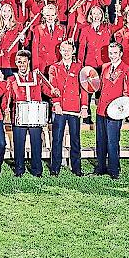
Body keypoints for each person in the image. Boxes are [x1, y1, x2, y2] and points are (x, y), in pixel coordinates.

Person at [4, 50, 57, 177]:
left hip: (35, 115)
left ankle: (37, 170)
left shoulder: (37, 77)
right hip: (19, 115)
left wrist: (54, 92)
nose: (22, 64)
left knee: (36, 142)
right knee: (19, 143)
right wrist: (5, 108)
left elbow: (46, 90)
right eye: (19, 62)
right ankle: (19, 169)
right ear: (16, 63)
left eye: (24, 61)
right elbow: (7, 97)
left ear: (29, 62)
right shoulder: (12, 79)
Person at [93, 42, 129, 179]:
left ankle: (114, 170)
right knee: (100, 140)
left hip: (115, 110)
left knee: (112, 141)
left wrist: (122, 108)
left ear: (121, 53)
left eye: (115, 53)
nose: (112, 56)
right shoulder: (105, 67)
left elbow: (128, 92)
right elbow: (99, 87)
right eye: (111, 53)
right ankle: (100, 168)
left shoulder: (127, 69)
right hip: (101, 110)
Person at [48, 41, 88, 176]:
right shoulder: (53, 68)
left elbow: (84, 89)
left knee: (75, 139)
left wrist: (84, 107)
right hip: (60, 109)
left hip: (74, 108)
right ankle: (55, 168)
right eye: (63, 50)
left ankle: (76, 168)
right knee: (57, 138)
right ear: (60, 51)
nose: (66, 52)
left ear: (73, 51)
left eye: (69, 50)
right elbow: (53, 87)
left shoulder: (80, 67)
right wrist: (56, 103)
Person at [0, 3, 23, 77]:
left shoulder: (18, 26)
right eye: (4, 11)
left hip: (12, 60)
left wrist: (22, 39)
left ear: (12, 13)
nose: (6, 14)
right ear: (1, 13)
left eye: (9, 11)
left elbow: (24, 44)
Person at [30, 4, 66, 74]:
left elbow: (64, 49)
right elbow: (34, 48)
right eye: (48, 15)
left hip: (56, 64)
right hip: (42, 65)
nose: (50, 17)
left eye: (52, 15)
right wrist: (35, 66)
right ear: (44, 16)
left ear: (56, 16)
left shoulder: (62, 29)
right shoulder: (38, 28)